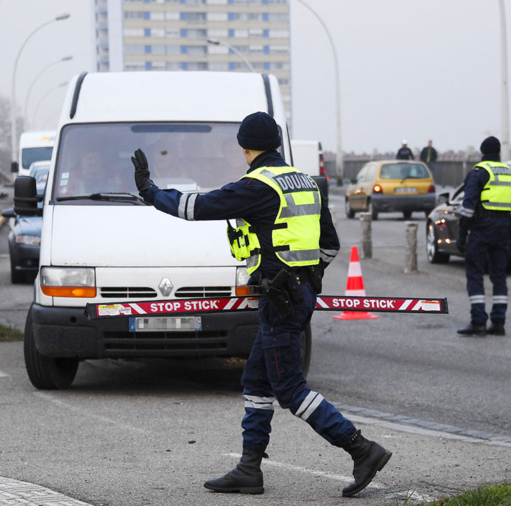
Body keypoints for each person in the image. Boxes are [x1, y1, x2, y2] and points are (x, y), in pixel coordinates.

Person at [131, 111, 391, 497]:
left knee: (289, 388)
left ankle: (361, 449)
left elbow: (196, 207)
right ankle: (249, 469)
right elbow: (330, 246)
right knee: (255, 379)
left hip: (279, 299)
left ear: (244, 147)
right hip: (296, 295)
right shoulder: (305, 182)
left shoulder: (258, 186)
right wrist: (307, 280)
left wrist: (150, 190)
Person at [456, 136, 511, 337]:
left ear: (483, 153)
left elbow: (467, 209)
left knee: (475, 273)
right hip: (503, 228)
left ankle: (478, 321)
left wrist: (462, 236)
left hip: (481, 228)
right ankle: (498, 323)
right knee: (499, 276)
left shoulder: (479, 172)